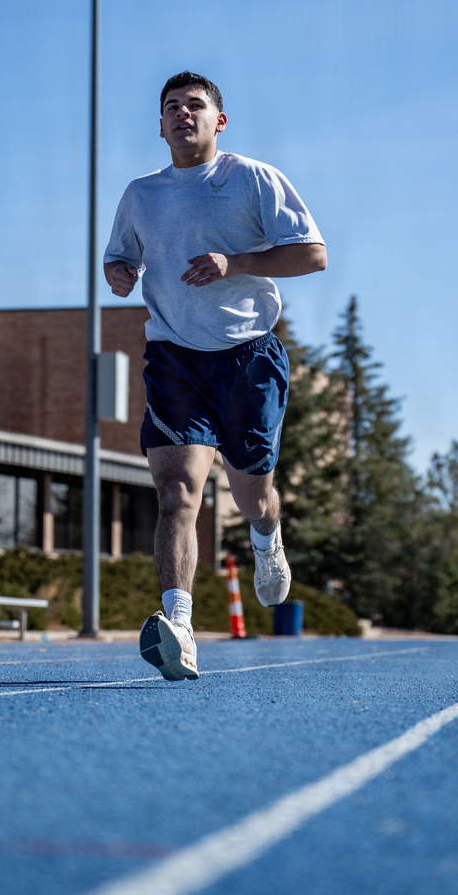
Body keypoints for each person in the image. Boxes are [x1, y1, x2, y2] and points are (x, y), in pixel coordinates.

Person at [103, 72, 327, 681]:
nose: (183, 114)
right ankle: (180, 625)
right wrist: (119, 272)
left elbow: (313, 252)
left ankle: (265, 534)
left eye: (195, 106)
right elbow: (120, 254)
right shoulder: (141, 194)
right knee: (177, 493)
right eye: (171, 107)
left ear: (218, 121)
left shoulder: (252, 178)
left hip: (248, 354)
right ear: (159, 124)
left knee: (252, 491)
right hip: (173, 356)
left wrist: (237, 263)